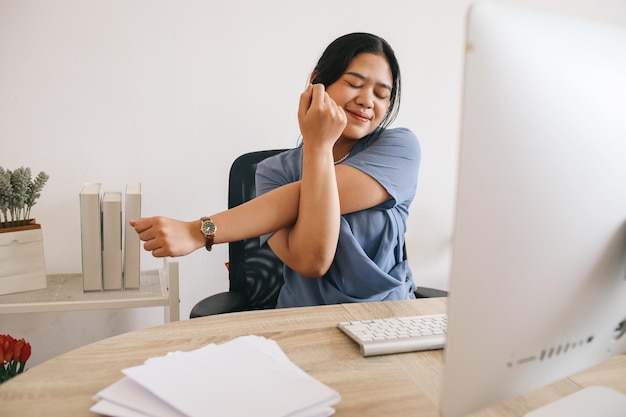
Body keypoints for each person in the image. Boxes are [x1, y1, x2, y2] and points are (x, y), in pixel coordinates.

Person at [131, 32, 421, 308]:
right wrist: (319, 146)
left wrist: (199, 230)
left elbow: (302, 197)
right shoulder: (272, 172)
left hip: (385, 318)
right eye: (355, 83)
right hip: (301, 321)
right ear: (317, 82)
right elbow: (312, 261)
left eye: (382, 94)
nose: (367, 101)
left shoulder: (399, 149)